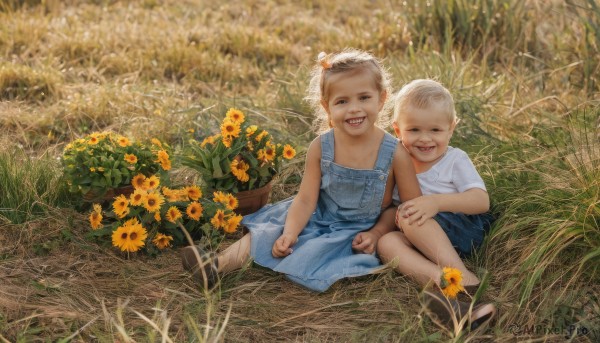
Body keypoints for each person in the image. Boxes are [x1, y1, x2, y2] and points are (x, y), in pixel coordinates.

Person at [181, 48, 421, 292]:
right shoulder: (321, 146)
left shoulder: (394, 153)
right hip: (315, 214)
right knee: (268, 232)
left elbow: (406, 208)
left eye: (364, 98)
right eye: (342, 101)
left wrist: (377, 233)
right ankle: (217, 265)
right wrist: (291, 233)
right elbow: (306, 199)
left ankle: (308, 262)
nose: (354, 109)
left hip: (358, 231)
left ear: (381, 98)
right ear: (327, 107)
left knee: (320, 254)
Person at [376, 79, 496, 329]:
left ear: (451, 128)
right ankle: (444, 284)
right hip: (421, 236)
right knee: (386, 243)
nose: (425, 139)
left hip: (461, 227)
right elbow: (387, 205)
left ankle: (464, 279)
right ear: (397, 130)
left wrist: (435, 202)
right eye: (414, 130)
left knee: (409, 214)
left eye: (435, 130)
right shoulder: (397, 159)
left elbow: (481, 201)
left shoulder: (454, 160)